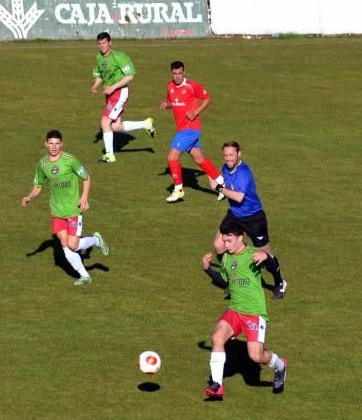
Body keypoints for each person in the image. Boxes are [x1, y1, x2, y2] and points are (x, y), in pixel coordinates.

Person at [201, 224, 288, 399]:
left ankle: (280, 366)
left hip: (254, 314)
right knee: (217, 337)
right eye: (224, 241)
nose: (225, 245)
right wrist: (208, 269)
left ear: (240, 238)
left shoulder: (252, 254)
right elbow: (225, 281)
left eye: (229, 241)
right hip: (235, 311)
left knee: (256, 356)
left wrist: (266, 257)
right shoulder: (226, 259)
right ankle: (217, 385)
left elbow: (273, 268)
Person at [21, 129, 109, 285]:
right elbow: (38, 185)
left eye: (57, 143)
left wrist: (84, 197)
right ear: (46, 144)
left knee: (73, 244)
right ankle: (85, 276)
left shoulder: (70, 160)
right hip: (57, 211)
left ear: (62, 144)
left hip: (73, 209)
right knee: (64, 244)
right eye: (51, 143)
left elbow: (86, 178)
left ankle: (96, 240)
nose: (54, 147)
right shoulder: (42, 164)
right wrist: (29, 197)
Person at [214, 141, 287, 300]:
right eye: (225, 155)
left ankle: (279, 282)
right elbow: (228, 185)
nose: (228, 158)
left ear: (239, 154)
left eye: (231, 155)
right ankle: (230, 279)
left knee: (265, 255)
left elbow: (239, 197)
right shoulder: (225, 168)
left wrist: (218, 188)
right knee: (219, 244)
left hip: (254, 217)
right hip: (234, 215)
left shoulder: (244, 171)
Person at [158, 61, 225, 203]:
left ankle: (178, 189)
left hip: (190, 129)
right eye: (175, 74)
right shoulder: (170, 86)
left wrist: (196, 112)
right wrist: (167, 105)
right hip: (183, 128)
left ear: (184, 72)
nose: (177, 76)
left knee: (172, 157)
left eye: (180, 73)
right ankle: (222, 184)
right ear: (171, 73)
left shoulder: (192, 86)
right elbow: (174, 103)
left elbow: (207, 98)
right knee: (199, 159)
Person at [90, 32, 155, 164]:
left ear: (110, 43)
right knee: (116, 127)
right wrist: (95, 86)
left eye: (104, 43)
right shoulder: (98, 58)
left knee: (104, 122)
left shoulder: (119, 57)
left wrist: (113, 87)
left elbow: (130, 76)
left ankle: (110, 155)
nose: (102, 46)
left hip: (119, 93)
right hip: (110, 94)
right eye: (99, 43)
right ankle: (145, 124)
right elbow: (99, 75)